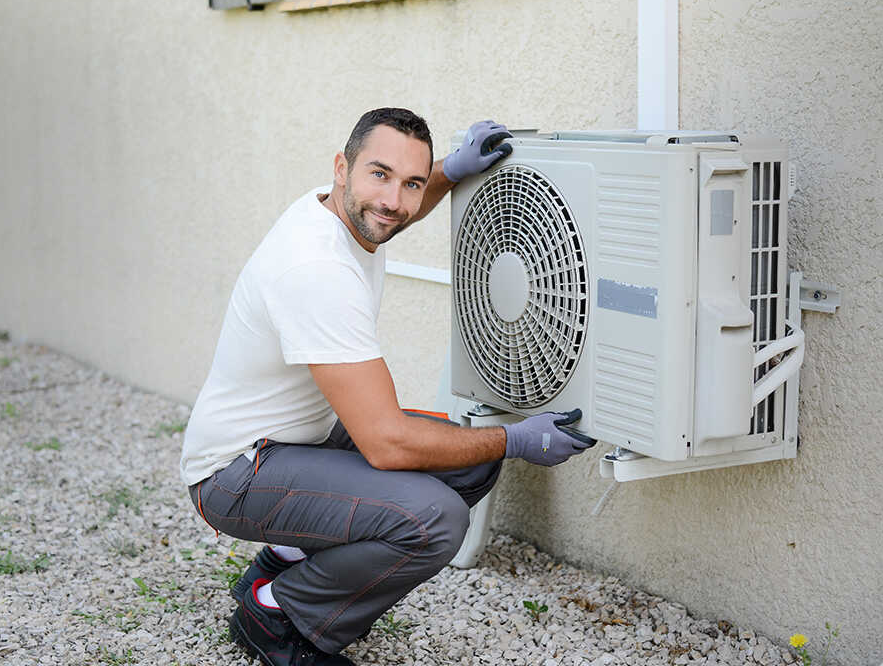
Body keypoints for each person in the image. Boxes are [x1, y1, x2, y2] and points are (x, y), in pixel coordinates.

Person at [180, 108, 596, 666]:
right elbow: (387, 442)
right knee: (434, 518)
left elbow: (391, 208)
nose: (395, 200)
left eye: (412, 183)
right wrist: (515, 439)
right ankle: (279, 613)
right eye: (380, 175)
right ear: (341, 168)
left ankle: (282, 558)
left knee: (468, 464)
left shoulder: (335, 208)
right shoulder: (315, 272)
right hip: (235, 472)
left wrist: (452, 169)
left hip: (299, 440)